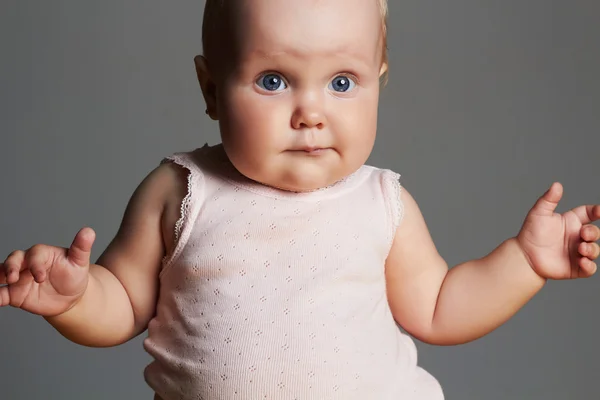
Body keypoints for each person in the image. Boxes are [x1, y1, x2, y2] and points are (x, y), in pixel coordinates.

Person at [1, 0, 599, 399]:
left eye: (342, 83)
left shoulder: (381, 201)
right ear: (211, 88)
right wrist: (74, 300)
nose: (311, 113)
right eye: (273, 80)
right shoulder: (180, 191)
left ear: (378, 81)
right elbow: (126, 305)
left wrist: (524, 263)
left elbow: (441, 306)